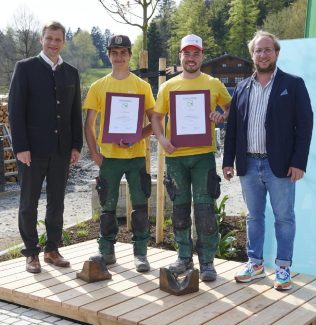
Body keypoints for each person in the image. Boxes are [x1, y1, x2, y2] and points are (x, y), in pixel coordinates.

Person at [223, 30, 313, 290]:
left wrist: (299, 162)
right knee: (254, 217)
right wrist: (228, 161)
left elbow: (305, 126)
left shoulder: (293, 84)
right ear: (252, 55)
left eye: (267, 50)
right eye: (258, 51)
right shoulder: (241, 88)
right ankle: (256, 264)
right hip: (249, 164)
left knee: (284, 217)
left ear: (276, 52)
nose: (263, 55)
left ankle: (283, 267)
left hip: (281, 166)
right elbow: (234, 129)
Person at [151, 34, 231, 281]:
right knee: (180, 209)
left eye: (196, 53)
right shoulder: (168, 86)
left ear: (202, 56)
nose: (191, 58)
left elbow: (230, 108)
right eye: (187, 53)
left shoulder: (213, 83)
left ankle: (207, 262)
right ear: (181, 56)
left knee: (205, 210)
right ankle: (183, 257)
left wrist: (221, 116)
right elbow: (155, 117)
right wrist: (162, 140)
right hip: (175, 157)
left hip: (203, 156)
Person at [8, 21, 83, 274]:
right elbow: (15, 111)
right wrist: (20, 147)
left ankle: (52, 249)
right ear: (42, 40)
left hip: (61, 150)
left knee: (57, 202)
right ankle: (31, 253)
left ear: (63, 42)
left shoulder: (71, 72)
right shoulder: (25, 68)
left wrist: (76, 145)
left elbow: (75, 113)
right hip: (31, 151)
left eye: (58, 39)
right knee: (29, 203)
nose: (53, 43)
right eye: (49, 38)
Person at [83, 34, 155, 272]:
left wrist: (137, 136)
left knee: (141, 206)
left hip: (136, 157)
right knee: (108, 206)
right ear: (109, 54)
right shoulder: (98, 86)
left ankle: (141, 254)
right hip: (109, 158)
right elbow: (89, 123)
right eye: (114, 52)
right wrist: (94, 153)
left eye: (123, 52)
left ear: (130, 56)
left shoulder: (142, 86)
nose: (119, 56)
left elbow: (154, 122)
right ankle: (107, 251)